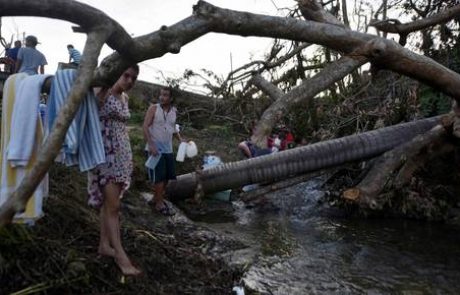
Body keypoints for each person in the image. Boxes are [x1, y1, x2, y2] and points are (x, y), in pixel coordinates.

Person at [87, 65, 141, 276]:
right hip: (104, 157)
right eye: (126, 75)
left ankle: (104, 245)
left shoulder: (125, 98)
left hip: (121, 157)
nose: (129, 80)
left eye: (133, 78)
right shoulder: (102, 91)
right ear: (117, 73)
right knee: (114, 207)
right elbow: (91, 110)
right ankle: (120, 256)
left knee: (110, 205)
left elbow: (122, 129)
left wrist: (128, 158)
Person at [143, 86, 184, 216]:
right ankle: (159, 203)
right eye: (161, 95)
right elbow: (145, 126)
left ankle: (156, 198)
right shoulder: (154, 108)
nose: (162, 97)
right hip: (155, 148)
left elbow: (173, 128)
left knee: (167, 176)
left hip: (168, 149)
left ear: (171, 98)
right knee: (159, 176)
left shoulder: (174, 111)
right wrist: (151, 145)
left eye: (165, 95)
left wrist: (181, 140)